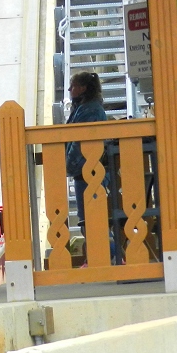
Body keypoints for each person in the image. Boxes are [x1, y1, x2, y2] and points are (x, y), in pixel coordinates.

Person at [65, 71, 109, 236]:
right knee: (89, 219)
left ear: (83, 88)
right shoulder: (87, 108)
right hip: (86, 172)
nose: (70, 89)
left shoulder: (88, 110)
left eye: (73, 86)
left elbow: (78, 143)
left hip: (87, 172)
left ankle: (106, 254)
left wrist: (69, 165)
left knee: (91, 219)